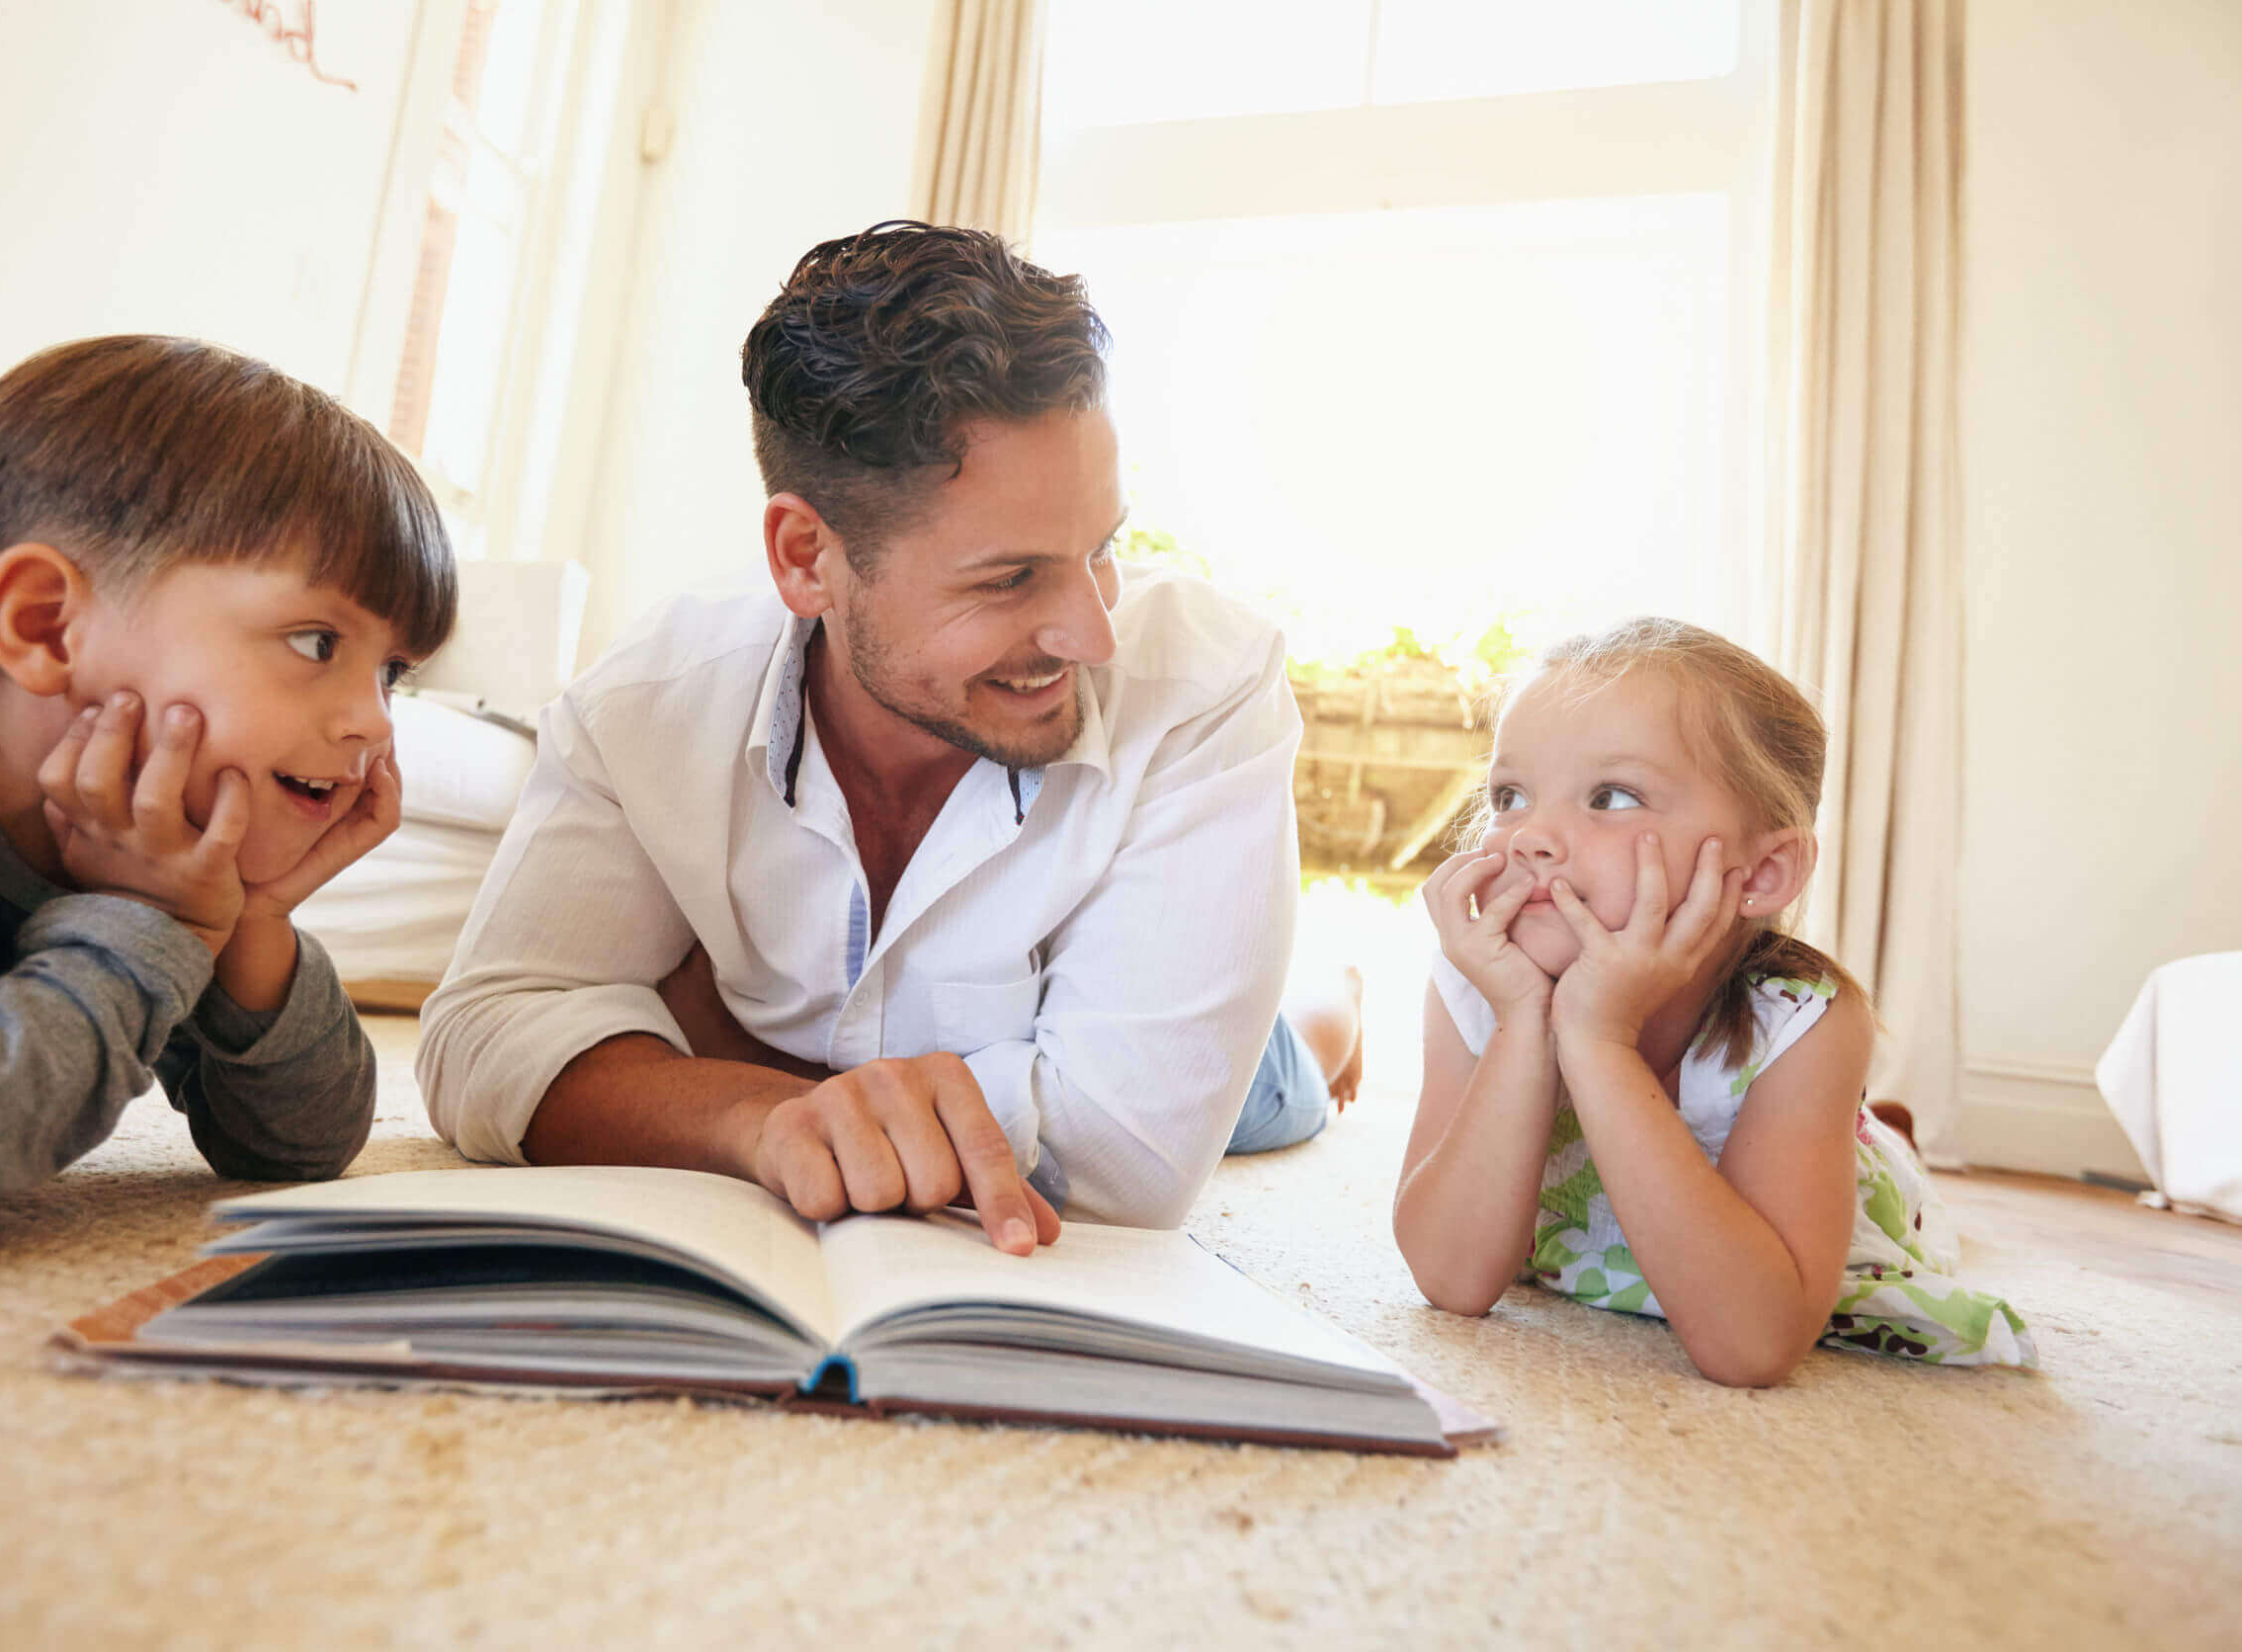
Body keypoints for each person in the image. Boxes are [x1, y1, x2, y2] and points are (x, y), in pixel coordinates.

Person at [420, 221, 1343, 1252]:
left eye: (1103, 548)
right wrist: (762, 1118)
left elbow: (1128, 1164)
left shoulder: (1207, 684)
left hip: (1192, 1020)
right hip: (984, 1034)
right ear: (807, 556)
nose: (1091, 632)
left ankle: (1320, 1002)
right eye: (1008, 578)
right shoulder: (648, 703)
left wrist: (683, 1060)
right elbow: (477, 1042)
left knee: (1279, 1080)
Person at [0, 335, 457, 1288]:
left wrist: (248, 926)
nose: (370, 722)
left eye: (392, 673)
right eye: (313, 640)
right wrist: (139, 931)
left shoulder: (141, 840)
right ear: (47, 624)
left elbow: (301, 1147)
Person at [1392, 618, 2033, 1382]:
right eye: (1511, 794)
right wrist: (1526, 1021)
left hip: (1800, 1208)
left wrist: (1599, 1040)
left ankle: (1869, 1138)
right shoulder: (1477, 988)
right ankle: (1867, 1125)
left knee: (1880, 1173)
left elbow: (1752, 1346)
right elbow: (1451, 1279)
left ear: (1760, 874)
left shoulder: (1802, 1020)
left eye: (1613, 796)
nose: (1532, 835)